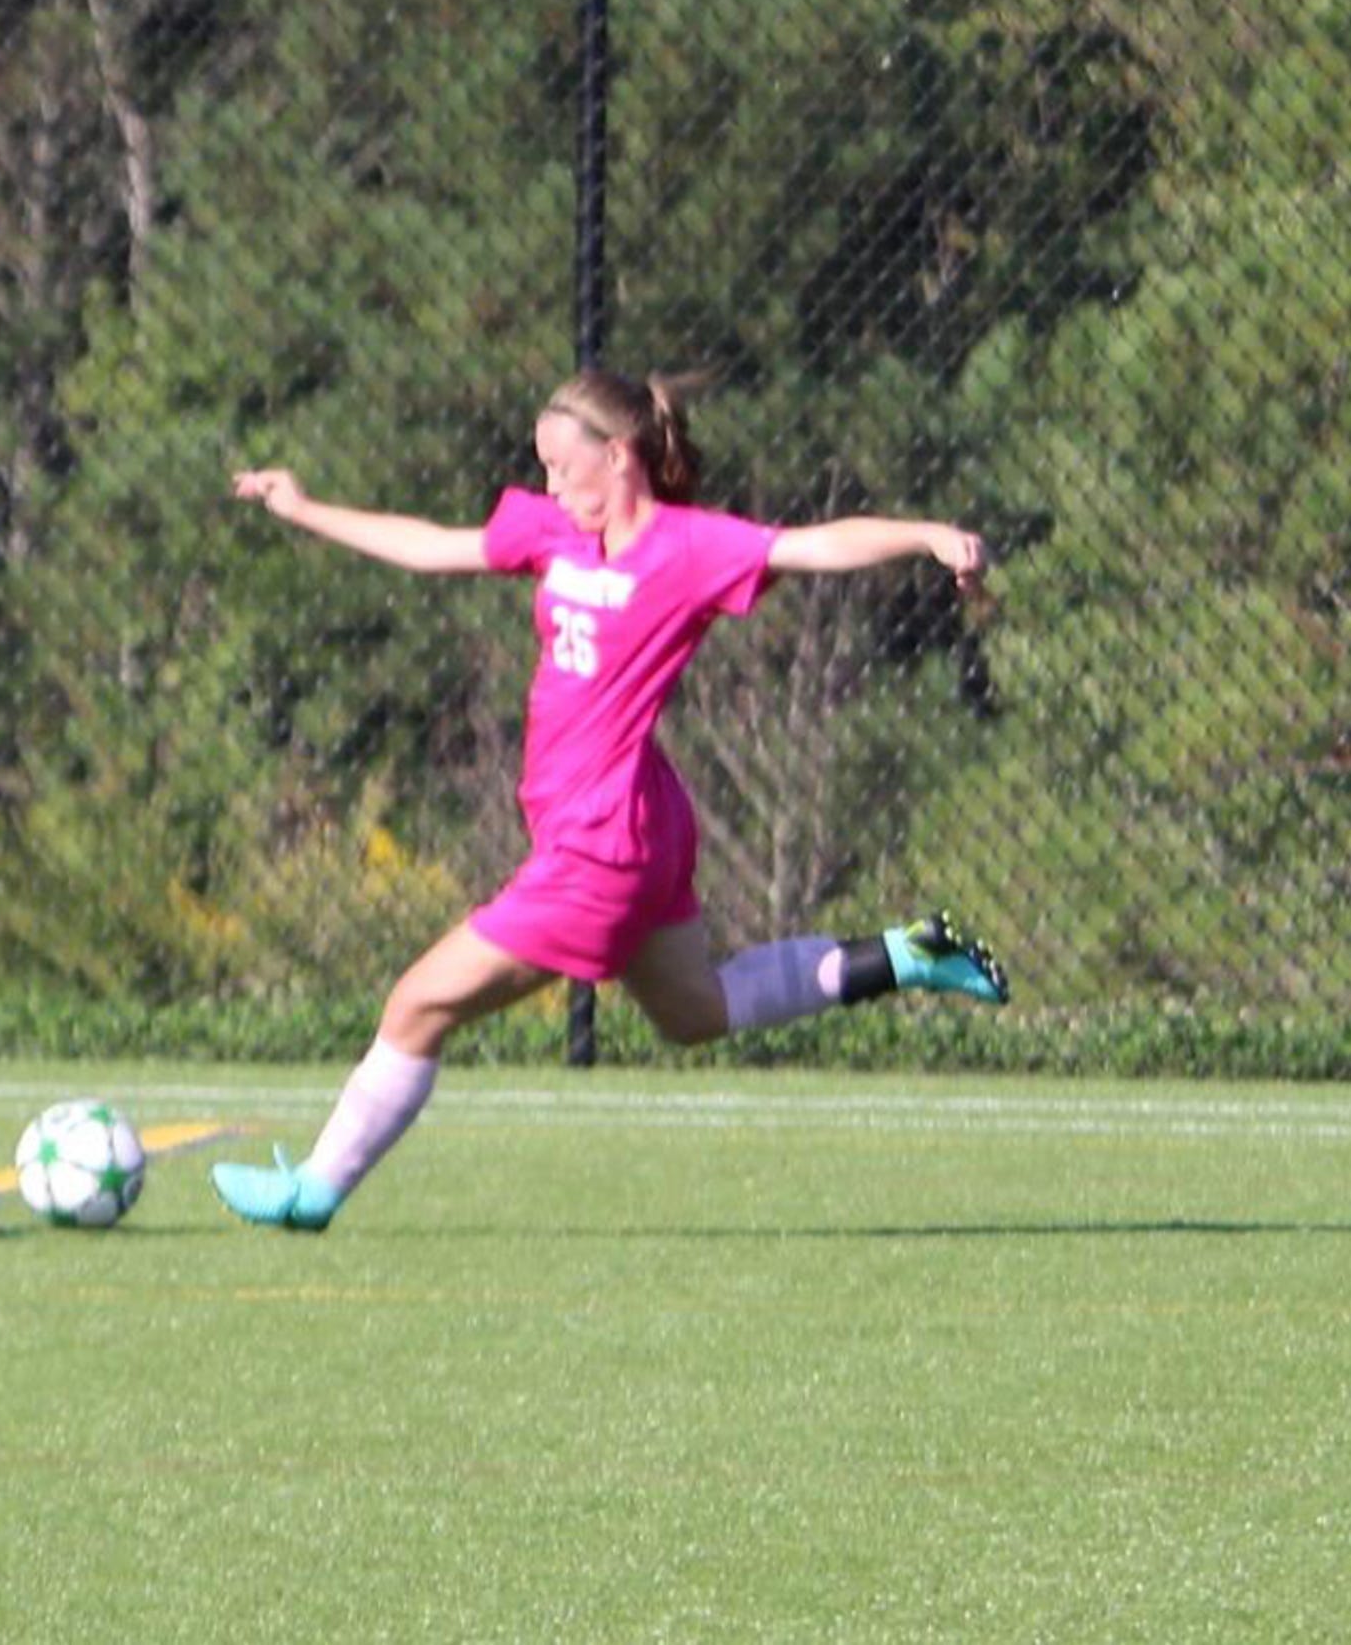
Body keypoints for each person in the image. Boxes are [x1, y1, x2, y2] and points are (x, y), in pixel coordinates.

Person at [211, 366, 1009, 1233]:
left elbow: (810, 545)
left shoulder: (688, 547)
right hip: (637, 823)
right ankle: (906, 954)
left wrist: (930, 534)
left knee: (417, 1003)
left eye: (562, 466)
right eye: (543, 467)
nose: (549, 485)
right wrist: (303, 508)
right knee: (696, 1010)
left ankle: (315, 1189)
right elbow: (432, 545)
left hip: (602, 846)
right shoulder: (556, 534)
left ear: (619, 457)